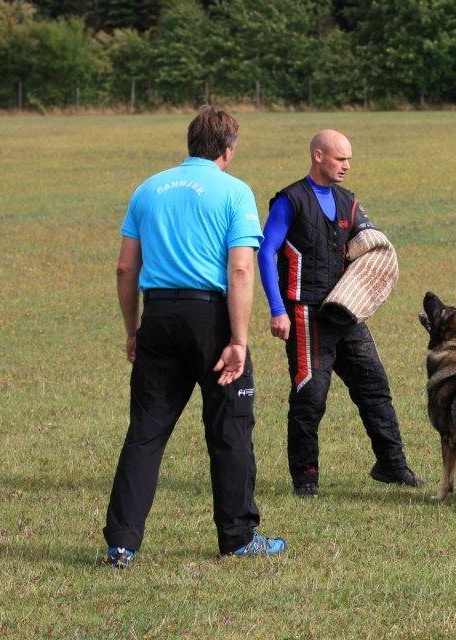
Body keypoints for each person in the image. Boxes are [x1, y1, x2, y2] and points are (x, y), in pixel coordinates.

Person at [102, 106, 286, 568]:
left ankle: (121, 544)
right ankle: (238, 537)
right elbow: (241, 267)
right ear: (229, 148)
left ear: (190, 143)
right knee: (230, 429)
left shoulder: (147, 189)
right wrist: (238, 340)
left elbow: (126, 268)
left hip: (159, 316)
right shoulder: (234, 191)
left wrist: (133, 330)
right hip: (211, 317)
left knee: (145, 433)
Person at [258, 129, 423, 497]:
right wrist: (276, 309)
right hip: (305, 314)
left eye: (349, 159)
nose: (346, 165)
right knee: (310, 397)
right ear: (318, 156)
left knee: (375, 387)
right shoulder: (290, 200)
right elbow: (266, 252)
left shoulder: (348, 201)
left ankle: (392, 466)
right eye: (339, 158)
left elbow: (373, 245)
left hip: (345, 313)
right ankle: (306, 479)